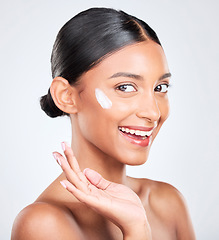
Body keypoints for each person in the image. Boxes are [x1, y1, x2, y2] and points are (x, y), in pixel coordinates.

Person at [11, 7, 196, 240]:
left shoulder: (169, 202)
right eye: (125, 87)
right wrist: (137, 231)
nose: (153, 112)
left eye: (160, 88)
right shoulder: (43, 224)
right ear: (66, 96)